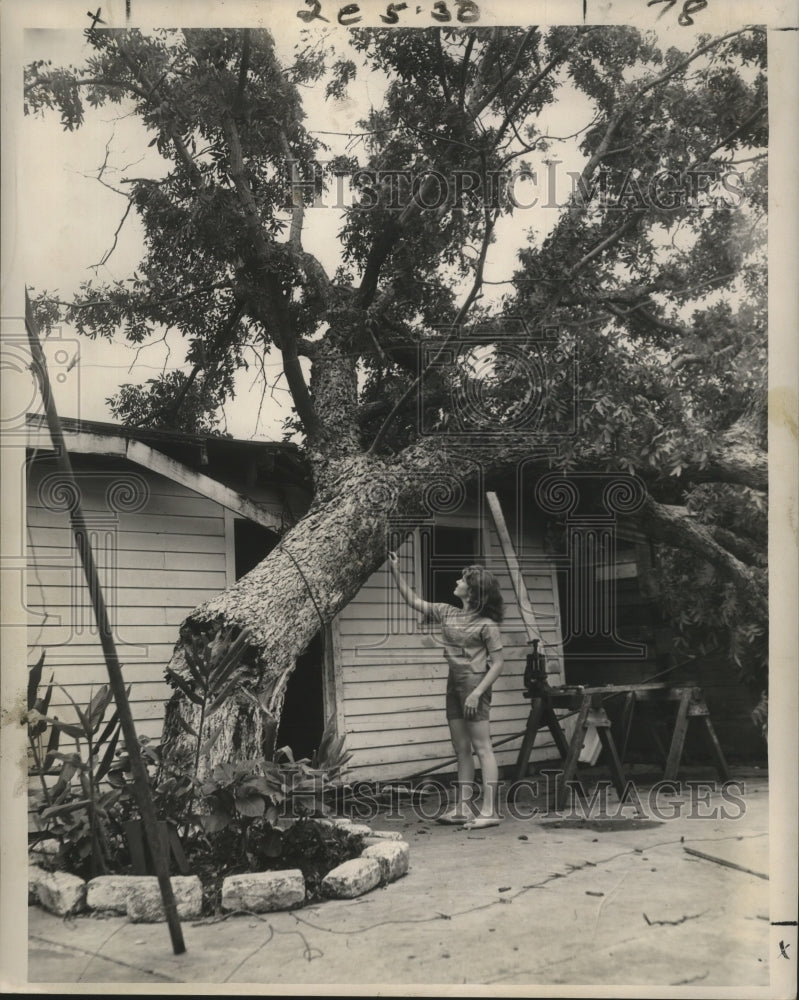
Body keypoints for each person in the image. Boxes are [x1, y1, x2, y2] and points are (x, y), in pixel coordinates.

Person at [387, 551, 505, 829]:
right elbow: (413, 601)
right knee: (461, 748)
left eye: (462, 580)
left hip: (475, 684)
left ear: (473, 591)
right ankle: (463, 809)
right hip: (454, 684)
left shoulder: (487, 625)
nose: (457, 581)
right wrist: (395, 570)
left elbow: (498, 664)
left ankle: (489, 812)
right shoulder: (446, 611)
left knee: (482, 747)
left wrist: (477, 693)